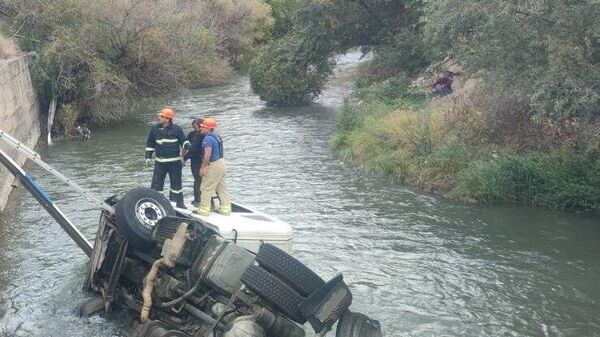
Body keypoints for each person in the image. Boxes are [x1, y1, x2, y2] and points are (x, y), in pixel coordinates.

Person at [145, 107, 189, 208]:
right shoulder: (155, 128)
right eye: (160, 116)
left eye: (161, 116)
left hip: (174, 163)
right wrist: (148, 156)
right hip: (160, 163)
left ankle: (178, 205)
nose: (159, 117)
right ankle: (157, 204)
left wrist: (189, 146)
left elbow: (183, 141)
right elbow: (150, 143)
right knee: (156, 185)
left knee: (176, 185)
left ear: (167, 119)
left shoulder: (177, 129)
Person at [197, 118, 231, 216]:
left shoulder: (207, 139)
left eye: (203, 127)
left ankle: (204, 210)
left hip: (214, 164)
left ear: (208, 128)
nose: (201, 128)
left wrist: (203, 167)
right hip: (221, 162)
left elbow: (207, 154)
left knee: (206, 187)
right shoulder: (217, 136)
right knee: (221, 187)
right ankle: (225, 209)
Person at [184, 118, 205, 207]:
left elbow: (193, 149)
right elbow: (185, 146)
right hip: (195, 160)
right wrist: (184, 156)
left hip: (200, 160)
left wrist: (184, 159)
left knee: (199, 180)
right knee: (198, 180)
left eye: (195, 124)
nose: (194, 125)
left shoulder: (201, 135)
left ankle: (199, 200)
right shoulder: (192, 134)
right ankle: (198, 199)